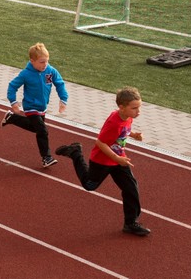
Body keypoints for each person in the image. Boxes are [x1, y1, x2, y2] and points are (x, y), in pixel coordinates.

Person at [55, 87, 150, 236]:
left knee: (131, 188)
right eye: (134, 108)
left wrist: (133, 135)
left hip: (118, 159)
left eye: (139, 107)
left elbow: (123, 130)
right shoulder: (114, 123)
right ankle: (75, 153)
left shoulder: (127, 117)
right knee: (89, 185)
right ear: (122, 107)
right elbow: (100, 143)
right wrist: (116, 158)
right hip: (102, 160)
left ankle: (130, 223)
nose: (138, 111)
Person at [1, 42, 68, 168]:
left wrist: (63, 99)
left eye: (46, 61)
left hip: (42, 107)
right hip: (31, 106)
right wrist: (13, 102)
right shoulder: (26, 74)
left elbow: (60, 84)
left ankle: (11, 118)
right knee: (42, 131)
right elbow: (12, 86)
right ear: (32, 61)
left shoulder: (50, 71)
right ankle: (46, 157)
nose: (45, 65)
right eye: (42, 62)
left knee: (35, 128)